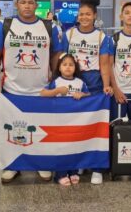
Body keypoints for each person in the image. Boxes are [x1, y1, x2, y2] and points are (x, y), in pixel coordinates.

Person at [0, 0, 63, 183]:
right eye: (23, 2)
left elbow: (56, 54)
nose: (27, 6)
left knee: (41, 129)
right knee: (14, 129)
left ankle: (42, 164)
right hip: (12, 89)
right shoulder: (3, 26)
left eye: (31, 2)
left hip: (42, 89)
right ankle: (14, 165)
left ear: (36, 5)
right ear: (16, 4)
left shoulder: (49, 27)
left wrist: (55, 77)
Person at [62, 0, 113, 185]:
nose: (84, 17)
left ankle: (97, 168)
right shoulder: (69, 34)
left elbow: (105, 65)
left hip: (94, 82)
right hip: (73, 80)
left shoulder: (102, 37)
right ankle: (79, 162)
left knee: (96, 126)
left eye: (88, 14)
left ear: (94, 16)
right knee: (76, 124)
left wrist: (107, 85)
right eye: (81, 14)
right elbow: (62, 59)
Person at [40, 53, 90, 186]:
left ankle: (73, 171)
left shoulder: (80, 83)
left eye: (71, 65)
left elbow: (90, 96)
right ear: (59, 67)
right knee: (61, 148)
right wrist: (56, 91)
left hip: (75, 122)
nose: (68, 67)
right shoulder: (56, 82)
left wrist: (82, 95)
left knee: (74, 146)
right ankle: (60, 174)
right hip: (59, 123)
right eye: (65, 64)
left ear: (75, 67)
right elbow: (43, 93)